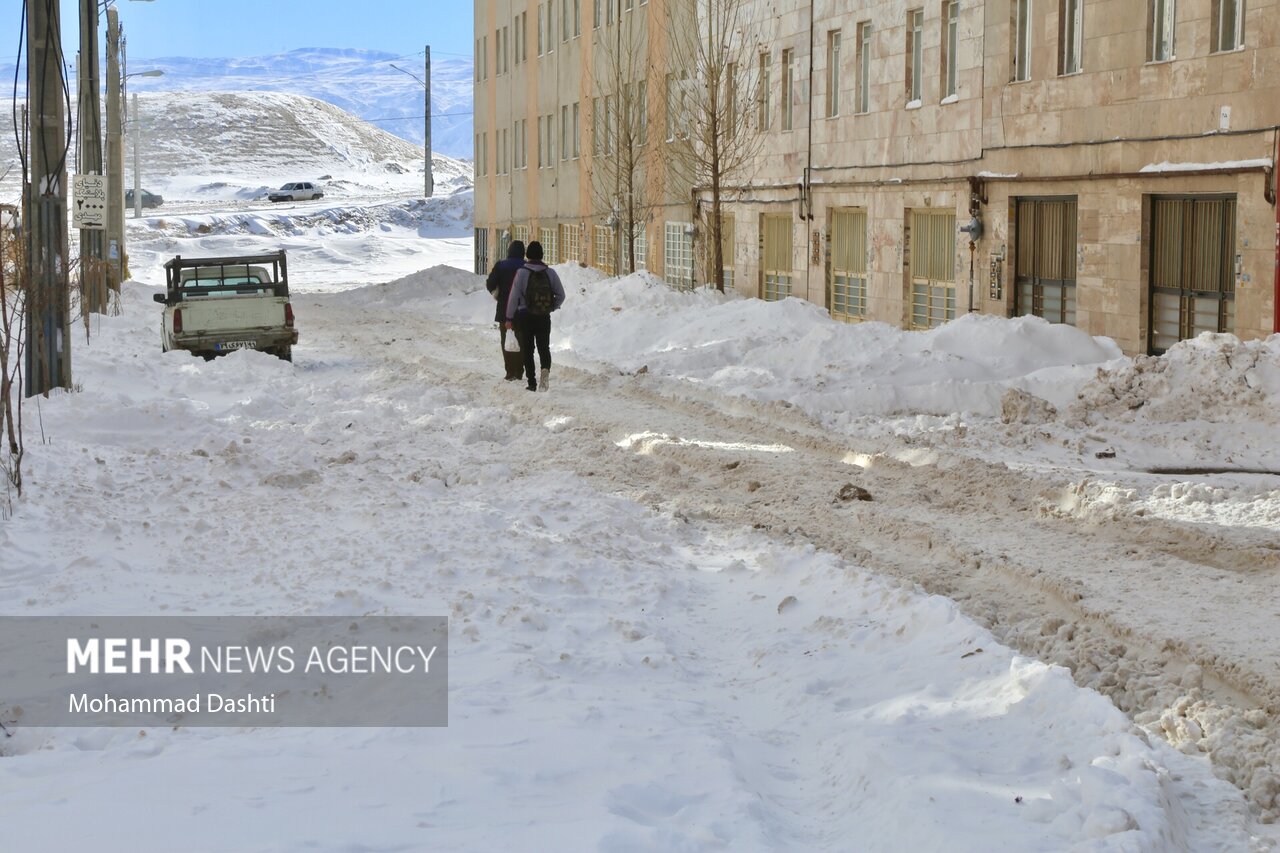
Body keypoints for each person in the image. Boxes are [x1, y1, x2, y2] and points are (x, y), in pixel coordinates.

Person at [505, 240, 565, 392]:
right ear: (542, 255)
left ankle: (531, 382)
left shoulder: (522, 273)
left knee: (528, 350)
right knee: (544, 348)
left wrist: (509, 318)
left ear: (527, 255)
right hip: (543, 317)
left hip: (525, 317)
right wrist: (551, 307)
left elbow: (513, 297)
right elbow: (561, 295)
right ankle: (545, 371)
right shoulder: (550, 273)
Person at [485, 239, 527, 381]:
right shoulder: (527, 266)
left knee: (507, 339)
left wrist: (496, 294)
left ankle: (510, 372)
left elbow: (490, 283)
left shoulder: (501, 265)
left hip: (504, 309)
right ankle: (520, 371)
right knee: (522, 340)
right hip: (523, 311)